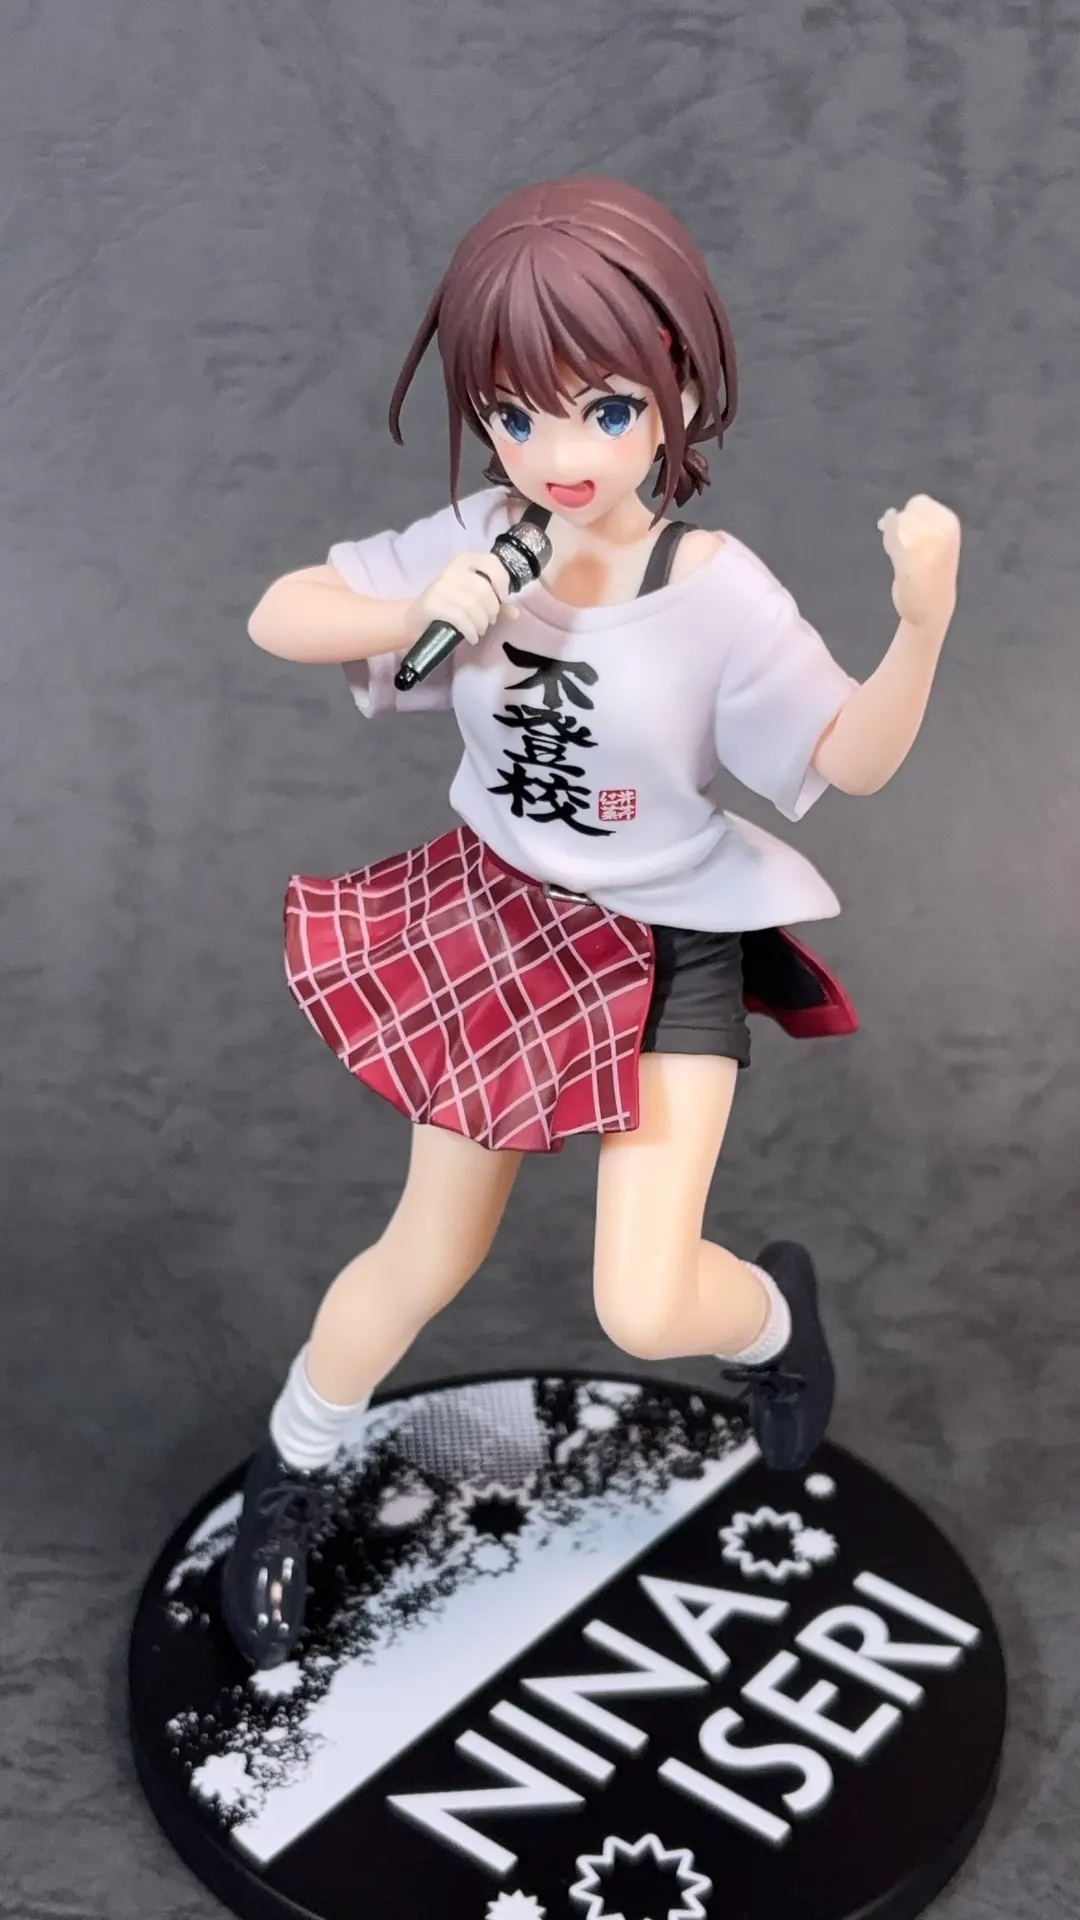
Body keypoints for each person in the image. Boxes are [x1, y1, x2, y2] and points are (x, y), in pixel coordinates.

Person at [223, 176, 961, 1668]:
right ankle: (286, 1475)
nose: (559, 457)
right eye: (515, 415)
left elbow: (851, 758)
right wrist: (415, 609)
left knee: (645, 1299)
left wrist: (923, 622)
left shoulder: (715, 588)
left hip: (667, 944)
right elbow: (281, 612)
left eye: (606, 410)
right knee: (425, 1247)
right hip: (502, 923)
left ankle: (774, 1325)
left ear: (674, 384)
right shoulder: (485, 537)